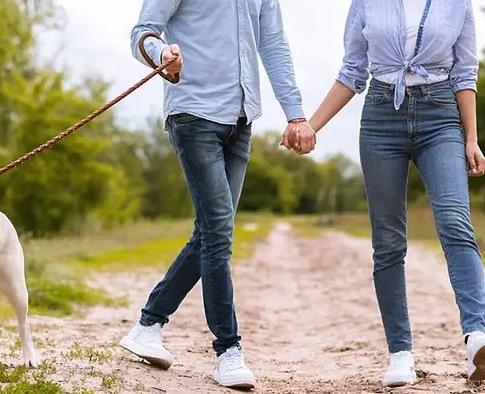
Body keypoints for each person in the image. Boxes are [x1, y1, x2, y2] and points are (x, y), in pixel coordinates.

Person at [282, 0, 485, 387]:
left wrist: (471, 138)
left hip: (440, 115)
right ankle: (400, 353)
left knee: (456, 223)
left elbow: (464, 73)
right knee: (388, 242)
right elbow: (353, 71)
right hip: (380, 118)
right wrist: (312, 126)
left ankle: (478, 336)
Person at [119, 0, 316, 389]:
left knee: (211, 232)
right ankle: (228, 350)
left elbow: (273, 44)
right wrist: (162, 53)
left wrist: (295, 114)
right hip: (193, 114)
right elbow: (141, 33)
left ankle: (148, 325)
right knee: (219, 232)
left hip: (241, 119)